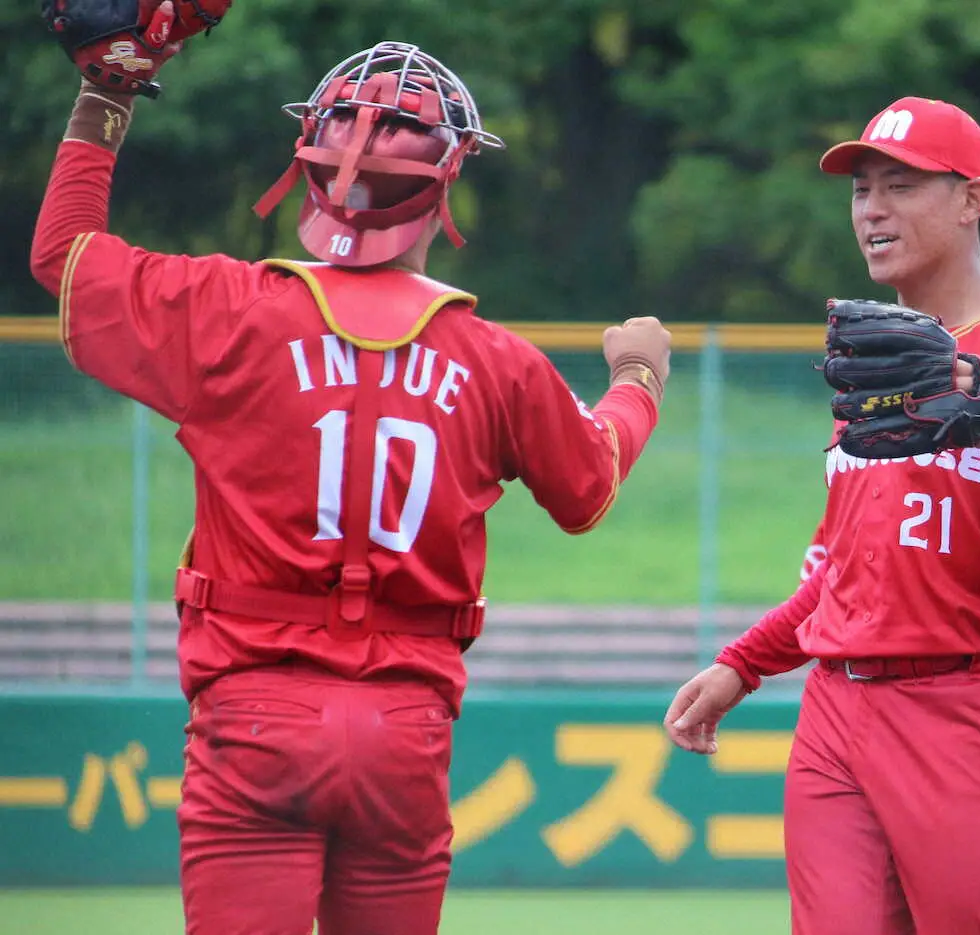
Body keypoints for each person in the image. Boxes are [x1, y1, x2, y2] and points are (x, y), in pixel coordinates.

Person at [30, 38, 671, 935]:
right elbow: (588, 486)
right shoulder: (496, 361)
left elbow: (64, 259)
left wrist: (108, 90)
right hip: (405, 728)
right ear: (444, 186)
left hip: (254, 713)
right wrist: (638, 378)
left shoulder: (228, 310)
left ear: (310, 173)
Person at [664, 96, 980, 934]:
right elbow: (852, 565)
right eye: (862, 188)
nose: (872, 208)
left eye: (901, 186)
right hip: (837, 707)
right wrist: (742, 664)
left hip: (966, 699)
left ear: (971, 199)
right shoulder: (879, 353)